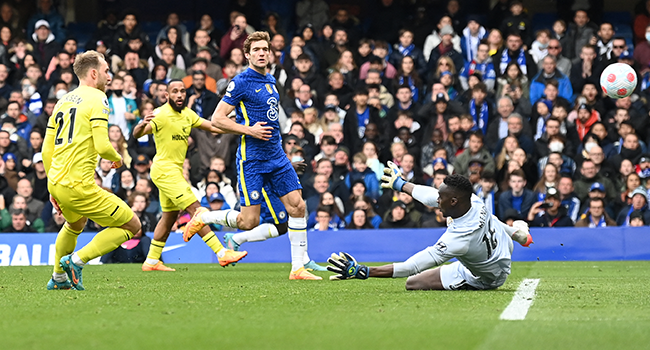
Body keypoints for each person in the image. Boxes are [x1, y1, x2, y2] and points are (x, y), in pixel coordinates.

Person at [184, 32, 321, 280]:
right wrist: (250, 130)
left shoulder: (271, 81)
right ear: (247, 55)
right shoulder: (241, 82)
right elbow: (217, 119)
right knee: (249, 221)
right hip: (253, 160)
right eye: (256, 49)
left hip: (277, 157)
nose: (261, 53)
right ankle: (203, 216)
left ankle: (298, 268)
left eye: (265, 49)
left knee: (298, 207)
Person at [326, 169, 532, 290]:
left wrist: (365, 271)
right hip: (503, 249)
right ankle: (518, 232)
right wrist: (400, 184)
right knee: (494, 223)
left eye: (441, 199)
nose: (436, 201)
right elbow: (430, 195)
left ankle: (471, 282)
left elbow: (410, 267)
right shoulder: (474, 201)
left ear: (453, 201)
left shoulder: (457, 240)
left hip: (490, 277)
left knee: (412, 283)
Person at [42, 51, 142, 291]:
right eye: (107, 71)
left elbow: (47, 150)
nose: (110, 76)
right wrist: (117, 158)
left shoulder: (63, 100)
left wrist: (51, 187)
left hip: (56, 182)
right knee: (133, 226)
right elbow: (103, 146)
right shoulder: (98, 98)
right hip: (78, 185)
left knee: (75, 225)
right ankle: (76, 261)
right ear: (94, 73)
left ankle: (58, 278)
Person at [132, 79, 247, 272]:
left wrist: (241, 129)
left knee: (169, 217)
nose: (179, 95)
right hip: (164, 170)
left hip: (174, 171)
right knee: (197, 211)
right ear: (167, 95)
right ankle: (221, 253)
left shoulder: (187, 114)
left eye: (182, 91)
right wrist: (140, 124)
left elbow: (212, 127)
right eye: (175, 91)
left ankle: (151, 261)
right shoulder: (160, 114)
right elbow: (137, 134)